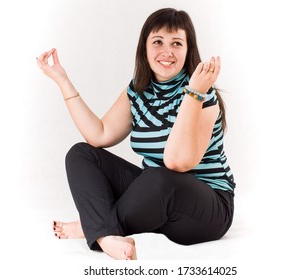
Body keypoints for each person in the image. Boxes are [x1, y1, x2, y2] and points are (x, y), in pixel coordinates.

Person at [36, 7, 235, 260]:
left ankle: (94, 228)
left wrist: (193, 93)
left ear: (188, 50)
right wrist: (62, 80)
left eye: (177, 43)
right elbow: (99, 135)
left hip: (208, 211)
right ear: (144, 48)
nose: (167, 51)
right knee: (81, 154)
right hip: (156, 199)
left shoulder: (202, 93)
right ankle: (104, 233)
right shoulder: (139, 91)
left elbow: (177, 162)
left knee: (161, 178)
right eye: (158, 42)